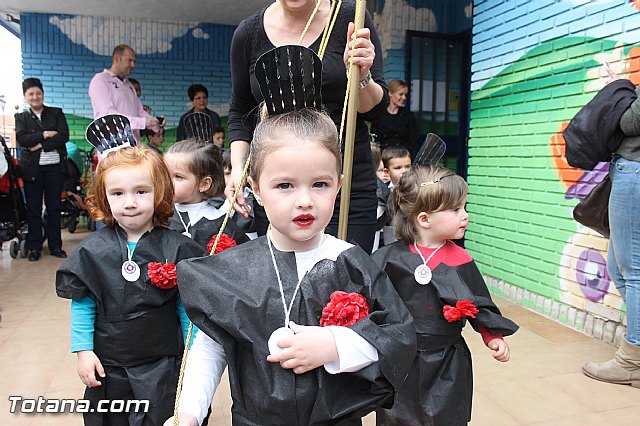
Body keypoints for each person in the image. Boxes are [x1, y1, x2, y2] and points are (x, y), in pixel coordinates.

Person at [169, 108, 416, 426]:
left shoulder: (352, 264)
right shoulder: (232, 271)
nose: (304, 200)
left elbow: (398, 339)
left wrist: (335, 345)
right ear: (256, 189)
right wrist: (188, 413)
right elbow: (208, 347)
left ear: (338, 186)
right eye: (285, 185)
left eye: (320, 184)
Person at [55, 145, 205, 425]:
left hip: (163, 366)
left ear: (159, 191)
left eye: (141, 191)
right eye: (117, 194)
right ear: (104, 197)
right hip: (110, 368)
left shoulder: (178, 248)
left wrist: (193, 357)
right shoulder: (92, 251)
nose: (130, 203)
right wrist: (83, 352)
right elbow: (83, 303)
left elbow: (188, 309)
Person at [225, 0, 388, 254]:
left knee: (347, 283)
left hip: (342, 184)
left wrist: (361, 75)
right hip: (278, 184)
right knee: (284, 280)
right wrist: (238, 169)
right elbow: (240, 111)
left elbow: (375, 110)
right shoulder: (248, 34)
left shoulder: (350, 15)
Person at [372, 165, 518, 425]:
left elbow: (479, 302)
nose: (465, 216)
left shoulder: (461, 260)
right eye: (455, 209)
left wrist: (491, 335)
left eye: (465, 207)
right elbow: (371, 300)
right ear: (424, 219)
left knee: (445, 415)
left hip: (446, 360)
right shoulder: (388, 258)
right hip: (401, 358)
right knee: (397, 416)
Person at [582, 68, 640, 387]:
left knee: (632, 271)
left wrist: (616, 88)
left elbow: (631, 121)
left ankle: (632, 360)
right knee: (619, 270)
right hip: (628, 172)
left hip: (635, 174)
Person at [15, 77, 69, 261]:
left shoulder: (56, 113)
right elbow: (22, 139)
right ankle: (34, 247)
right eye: (31, 94)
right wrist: (45, 134)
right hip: (32, 171)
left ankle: (55, 246)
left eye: (38, 93)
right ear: (25, 97)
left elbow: (63, 136)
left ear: (43, 94)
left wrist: (39, 145)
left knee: (54, 208)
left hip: (54, 168)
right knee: (33, 209)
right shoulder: (21, 118)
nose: (35, 97)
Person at [165, 138, 249, 250]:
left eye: (178, 177)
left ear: (204, 184)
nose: (167, 182)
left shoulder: (220, 224)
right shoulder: (160, 216)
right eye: (165, 175)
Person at [88, 44, 161, 142]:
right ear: (117, 59)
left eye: (134, 61)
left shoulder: (129, 85)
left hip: (133, 146)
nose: (133, 65)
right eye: (130, 61)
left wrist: (155, 122)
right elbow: (108, 115)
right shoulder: (100, 80)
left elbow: (140, 111)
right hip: (113, 147)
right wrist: (142, 122)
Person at [370, 79, 419, 158]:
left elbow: (413, 142)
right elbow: (375, 140)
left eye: (405, 95)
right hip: (384, 157)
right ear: (390, 93)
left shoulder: (409, 116)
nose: (404, 98)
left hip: (402, 157)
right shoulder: (379, 115)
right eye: (401, 94)